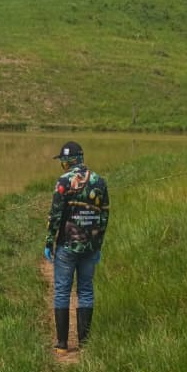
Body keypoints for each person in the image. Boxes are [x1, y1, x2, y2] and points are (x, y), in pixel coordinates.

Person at [43, 141, 109, 353]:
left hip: (67, 245)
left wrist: (48, 241)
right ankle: (85, 343)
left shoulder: (64, 182)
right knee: (86, 291)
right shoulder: (99, 181)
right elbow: (104, 215)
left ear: (68, 162)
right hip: (90, 246)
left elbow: (55, 216)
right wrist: (98, 244)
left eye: (63, 161)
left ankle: (62, 344)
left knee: (62, 291)